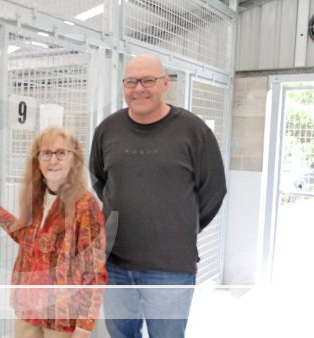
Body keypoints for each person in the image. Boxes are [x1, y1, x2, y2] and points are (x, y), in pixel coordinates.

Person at [89, 54, 227, 338]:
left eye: (148, 80)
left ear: (165, 83)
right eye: (131, 82)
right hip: (115, 262)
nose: (139, 88)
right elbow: (100, 179)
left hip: (170, 267)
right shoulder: (107, 129)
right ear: (124, 86)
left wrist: (180, 227)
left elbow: (214, 190)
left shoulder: (193, 131)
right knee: (120, 333)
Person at [0, 127, 107, 338]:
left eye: (61, 153)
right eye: (46, 153)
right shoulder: (36, 198)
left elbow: (94, 271)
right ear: (37, 160)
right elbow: (26, 238)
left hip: (61, 314)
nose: (53, 160)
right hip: (27, 306)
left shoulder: (84, 205)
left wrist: (84, 326)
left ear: (74, 159)